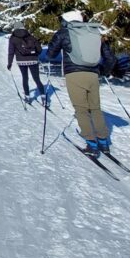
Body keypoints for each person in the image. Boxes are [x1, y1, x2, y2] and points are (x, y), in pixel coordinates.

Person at [46, 10, 116, 158]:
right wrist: (102, 71)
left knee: (81, 110)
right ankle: (103, 142)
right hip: (93, 75)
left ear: (66, 21)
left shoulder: (64, 32)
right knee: (95, 109)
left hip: (74, 75)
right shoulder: (94, 32)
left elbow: (50, 54)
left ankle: (91, 145)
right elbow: (110, 58)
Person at [7, 21, 44, 102]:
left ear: (15, 28)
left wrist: (10, 63)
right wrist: (35, 55)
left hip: (21, 61)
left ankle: (27, 96)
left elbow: (11, 52)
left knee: (25, 77)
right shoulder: (30, 36)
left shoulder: (13, 38)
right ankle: (43, 96)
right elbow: (39, 49)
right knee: (37, 78)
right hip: (33, 60)